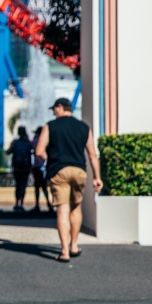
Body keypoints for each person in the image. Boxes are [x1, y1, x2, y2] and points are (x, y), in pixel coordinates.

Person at [35, 98, 103, 262]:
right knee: (76, 207)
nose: (53, 112)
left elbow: (39, 151)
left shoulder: (50, 126)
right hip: (79, 170)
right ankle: (74, 245)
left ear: (60, 107)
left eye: (54, 109)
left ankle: (64, 251)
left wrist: (48, 160)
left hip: (59, 170)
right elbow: (93, 155)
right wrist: (97, 177)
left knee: (62, 210)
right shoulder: (84, 127)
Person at [6, 126, 33, 211]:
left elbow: (8, 152)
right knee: (23, 185)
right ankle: (21, 203)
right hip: (26, 167)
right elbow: (35, 150)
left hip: (17, 167)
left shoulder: (15, 142)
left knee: (17, 185)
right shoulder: (29, 142)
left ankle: (17, 202)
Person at [31, 126, 53, 212]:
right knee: (44, 186)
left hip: (37, 166)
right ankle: (48, 204)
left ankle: (38, 205)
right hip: (43, 165)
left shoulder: (36, 141)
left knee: (38, 186)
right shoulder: (45, 142)